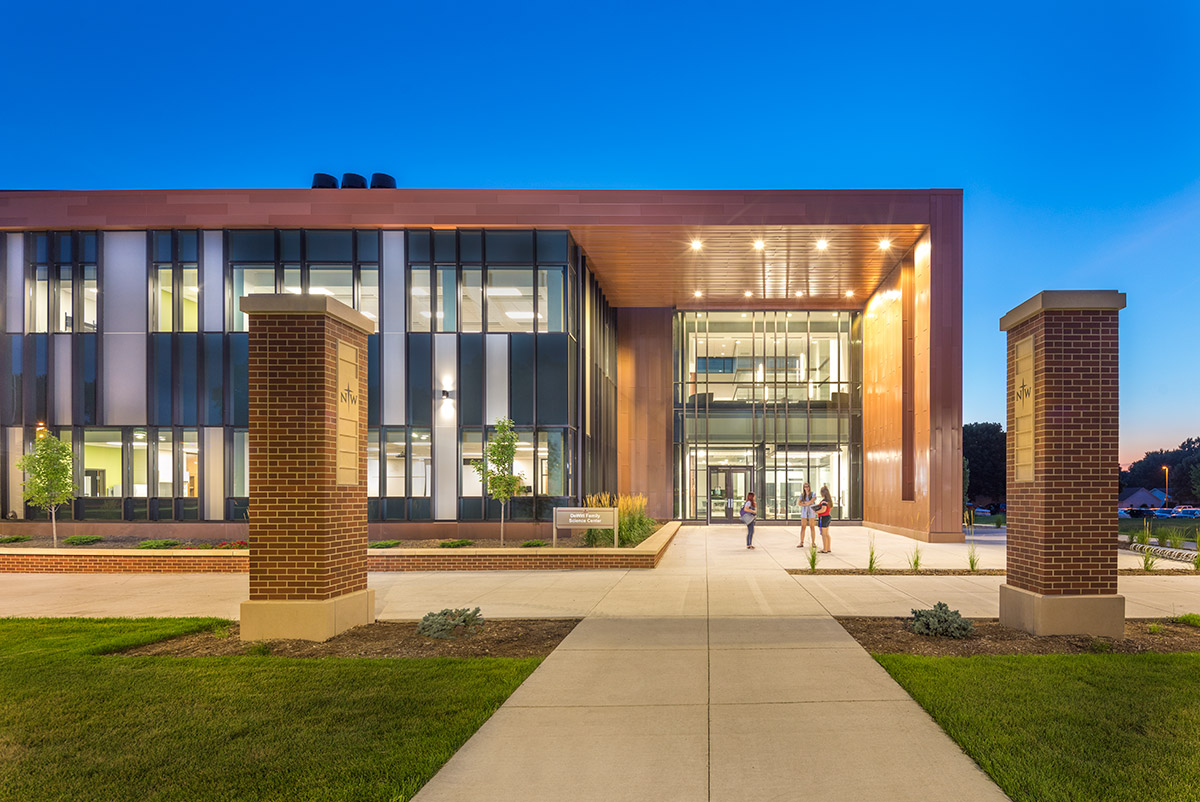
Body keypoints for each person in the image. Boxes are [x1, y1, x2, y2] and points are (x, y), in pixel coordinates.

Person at [813, 486, 833, 553]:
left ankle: (825, 549)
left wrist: (816, 511)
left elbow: (823, 509)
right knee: (827, 534)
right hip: (827, 517)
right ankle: (828, 548)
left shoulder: (824, 501)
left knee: (823, 534)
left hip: (823, 517)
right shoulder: (828, 500)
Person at [796, 482, 816, 547]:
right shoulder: (802, 495)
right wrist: (806, 503)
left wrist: (804, 502)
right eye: (805, 487)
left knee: (812, 527)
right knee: (803, 527)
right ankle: (801, 542)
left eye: (807, 486)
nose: (806, 488)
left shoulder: (813, 494)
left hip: (811, 511)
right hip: (804, 512)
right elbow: (799, 503)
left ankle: (813, 543)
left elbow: (812, 501)